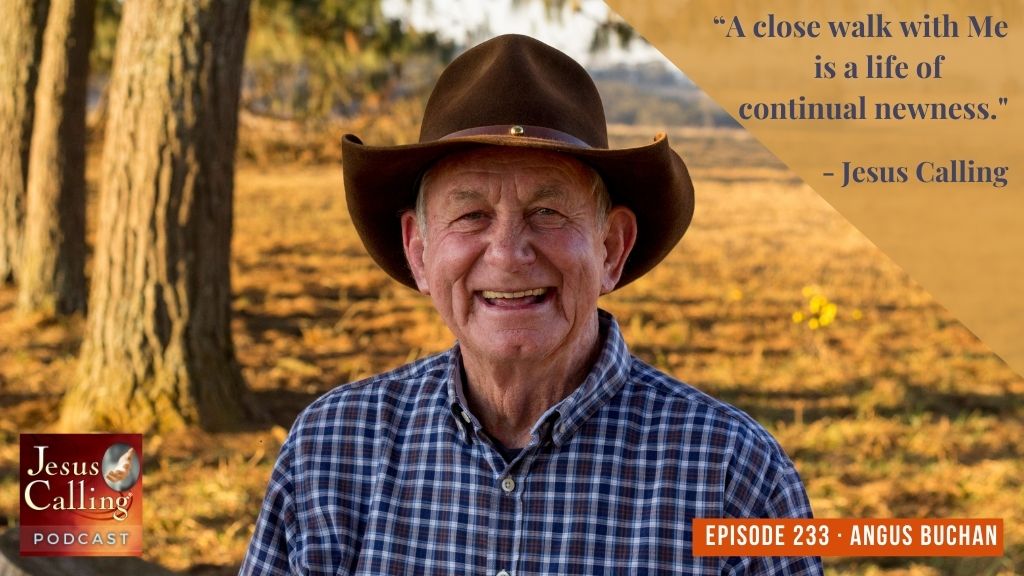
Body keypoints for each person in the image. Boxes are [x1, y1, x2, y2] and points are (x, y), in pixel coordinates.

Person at [241, 34, 822, 575]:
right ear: (419, 251)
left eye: (548, 211)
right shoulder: (331, 452)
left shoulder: (734, 475)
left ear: (612, 249)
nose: (509, 254)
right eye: (472, 215)